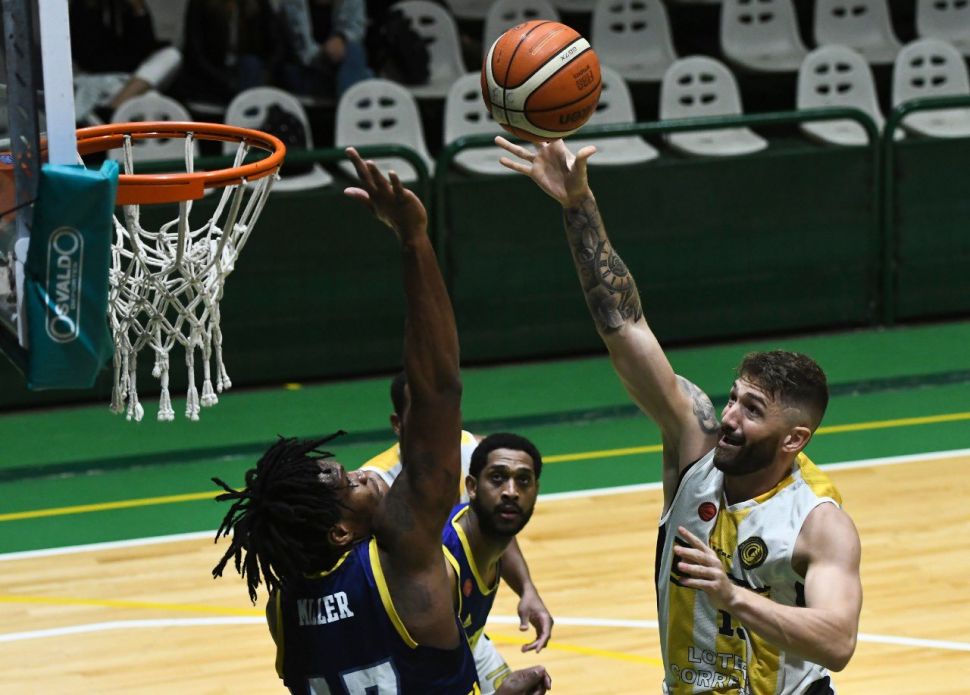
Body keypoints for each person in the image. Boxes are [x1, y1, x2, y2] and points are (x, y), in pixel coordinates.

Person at [496, 136, 863, 694]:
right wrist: (578, 206)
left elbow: (837, 643)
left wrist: (732, 595)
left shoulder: (818, 522)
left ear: (794, 439)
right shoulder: (697, 447)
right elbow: (624, 325)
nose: (730, 417)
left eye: (752, 410)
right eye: (734, 397)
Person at [211, 147, 549, 694]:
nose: (366, 475)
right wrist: (414, 239)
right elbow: (437, 389)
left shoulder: (284, 610)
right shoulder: (401, 563)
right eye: (349, 484)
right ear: (340, 532)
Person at [362, 387, 553, 693]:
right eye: (423, 416)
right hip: (412, 650)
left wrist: (527, 588)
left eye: (445, 416)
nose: (437, 426)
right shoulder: (375, 486)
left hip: (465, 633)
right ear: (399, 424)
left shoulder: (470, 449)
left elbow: (497, 525)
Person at [442, 432, 550, 695]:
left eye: (523, 480)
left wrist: (527, 589)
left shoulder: (488, 529)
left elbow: (505, 538)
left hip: (466, 643)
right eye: (497, 478)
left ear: (536, 490)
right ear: (472, 487)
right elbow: (427, 679)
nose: (511, 492)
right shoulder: (443, 569)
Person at [70, 0, 183, 123]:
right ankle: (111, 112)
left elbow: (145, 49)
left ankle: (110, 110)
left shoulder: (127, 8)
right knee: (149, 100)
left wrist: (138, 10)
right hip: (99, 79)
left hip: (133, 80)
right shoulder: (81, 8)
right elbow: (91, 59)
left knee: (171, 55)